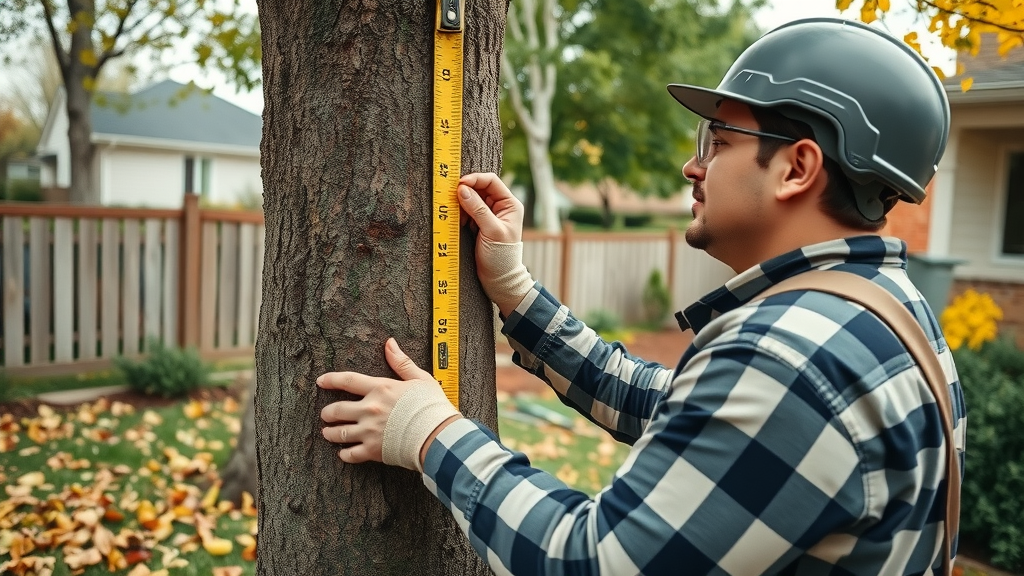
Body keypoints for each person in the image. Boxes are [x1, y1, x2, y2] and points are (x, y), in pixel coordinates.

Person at [317, 17, 966, 575]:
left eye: (720, 140)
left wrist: (431, 433)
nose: (694, 165)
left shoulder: (789, 358)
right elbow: (675, 408)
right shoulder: (883, 312)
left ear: (797, 168)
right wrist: (517, 294)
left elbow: (593, 562)